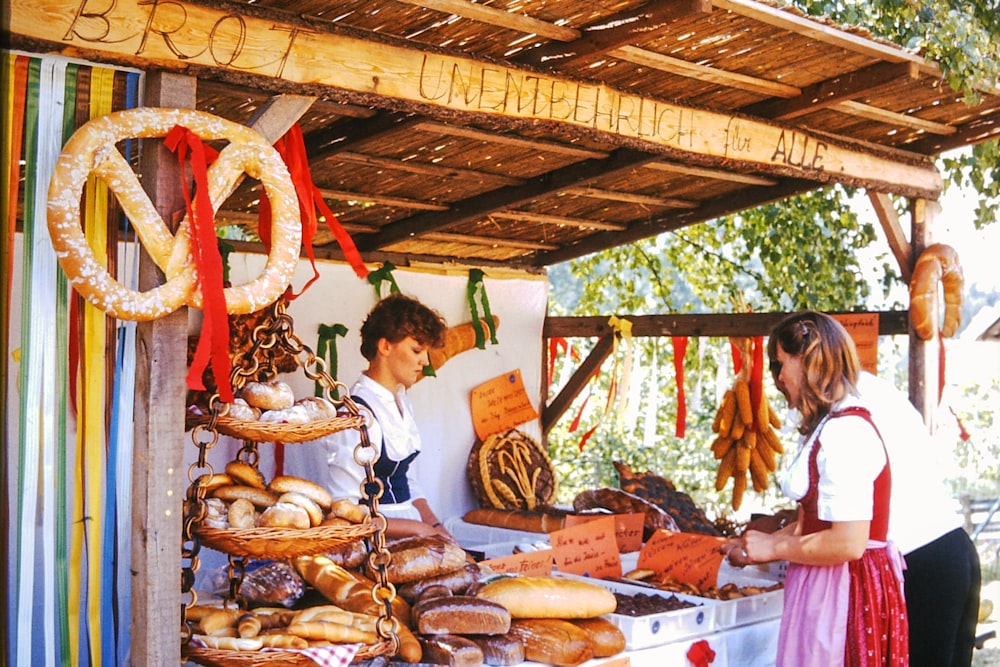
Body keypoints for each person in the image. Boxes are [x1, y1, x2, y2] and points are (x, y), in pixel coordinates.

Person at [727, 310, 908, 666]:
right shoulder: (829, 425)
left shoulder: (846, 433)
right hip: (823, 583)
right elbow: (813, 523)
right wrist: (758, 547)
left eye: (780, 365)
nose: (777, 378)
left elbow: (847, 542)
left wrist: (775, 546)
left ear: (809, 360)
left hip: (845, 591)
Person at [321, 293, 452, 539]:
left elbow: (409, 482)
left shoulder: (401, 402)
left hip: (413, 532)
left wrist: (437, 530)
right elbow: (345, 510)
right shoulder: (356, 414)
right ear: (385, 346)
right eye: (416, 350)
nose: (425, 360)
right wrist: (419, 529)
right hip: (376, 546)